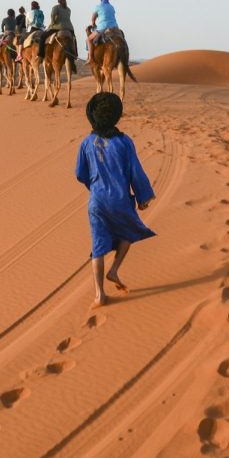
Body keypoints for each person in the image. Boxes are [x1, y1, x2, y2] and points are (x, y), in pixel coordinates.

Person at [75, 92, 156, 307]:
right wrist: (143, 196)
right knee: (130, 231)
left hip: (97, 202)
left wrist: (94, 188)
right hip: (120, 200)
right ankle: (114, 269)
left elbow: (80, 174)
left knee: (98, 246)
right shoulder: (124, 142)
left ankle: (99, 294)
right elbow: (135, 171)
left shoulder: (87, 142)